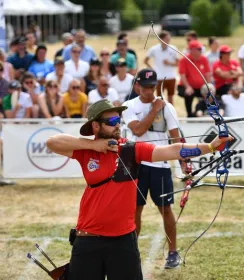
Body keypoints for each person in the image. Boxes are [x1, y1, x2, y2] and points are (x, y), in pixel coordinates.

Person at [45, 99, 231, 279]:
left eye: (118, 120)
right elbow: (52, 142)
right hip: (88, 238)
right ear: (96, 126)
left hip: (123, 240)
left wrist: (209, 146)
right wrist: (93, 145)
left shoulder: (129, 149)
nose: (117, 125)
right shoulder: (85, 151)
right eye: (111, 121)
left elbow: (172, 150)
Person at [122, 69, 188, 269]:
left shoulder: (167, 107)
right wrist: (154, 109)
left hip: (160, 166)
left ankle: (173, 252)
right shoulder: (128, 106)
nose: (150, 91)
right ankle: (131, 254)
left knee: (165, 209)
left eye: (153, 87)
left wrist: (183, 161)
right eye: (146, 87)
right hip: (137, 165)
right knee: (135, 210)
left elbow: (176, 137)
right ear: (137, 86)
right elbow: (138, 130)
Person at [177, 40, 211, 117]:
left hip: (201, 87)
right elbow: (182, 75)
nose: (200, 51)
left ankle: (203, 112)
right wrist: (188, 87)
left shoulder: (204, 59)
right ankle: (189, 114)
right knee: (189, 94)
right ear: (192, 50)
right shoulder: (184, 60)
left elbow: (208, 74)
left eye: (200, 49)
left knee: (210, 94)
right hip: (185, 86)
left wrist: (208, 86)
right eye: (198, 49)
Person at [144, 30, 179, 104]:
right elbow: (145, 61)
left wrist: (169, 63)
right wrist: (152, 69)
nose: (168, 40)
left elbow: (178, 63)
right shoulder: (154, 49)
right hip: (159, 77)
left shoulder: (173, 48)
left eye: (169, 38)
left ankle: (170, 113)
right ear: (161, 39)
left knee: (170, 96)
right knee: (159, 97)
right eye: (166, 38)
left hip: (171, 76)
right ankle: (160, 113)